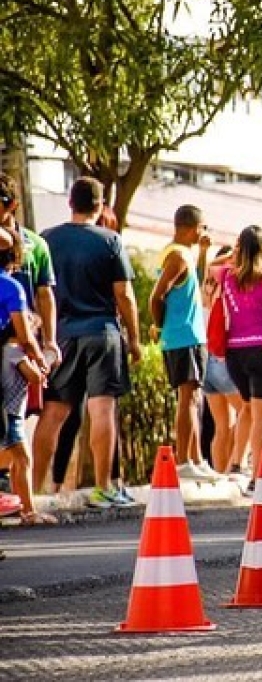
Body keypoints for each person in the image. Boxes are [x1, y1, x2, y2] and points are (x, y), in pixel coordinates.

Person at [32, 177, 140, 508]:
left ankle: (35, 489)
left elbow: (39, 292)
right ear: (100, 204)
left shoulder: (46, 240)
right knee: (102, 407)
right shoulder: (110, 241)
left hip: (62, 335)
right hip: (102, 332)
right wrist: (134, 339)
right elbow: (124, 294)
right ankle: (104, 486)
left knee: (53, 412)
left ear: (70, 202)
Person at [149, 205, 220, 482]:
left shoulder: (186, 256)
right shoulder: (177, 256)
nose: (203, 233)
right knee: (187, 399)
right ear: (191, 227)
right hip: (182, 336)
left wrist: (203, 253)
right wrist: (161, 324)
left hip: (191, 335)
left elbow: (197, 284)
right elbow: (157, 296)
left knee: (194, 398)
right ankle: (184, 460)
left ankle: (197, 458)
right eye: (202, 228)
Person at [217, 225, 262, 490]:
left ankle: (238, 464)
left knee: (248, 409)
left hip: (236, 354)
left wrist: (233, 255)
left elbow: (211, 264)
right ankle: (258, 477)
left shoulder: (227, 277)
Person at [0, 227, 54, 524]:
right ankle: (28, 511)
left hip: (10, 410)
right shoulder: (15, 350)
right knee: (21, 459)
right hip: (10, 412)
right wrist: (41, 363)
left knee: (17, 460)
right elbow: (32, 375)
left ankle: (25, 508)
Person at [200, 245, 246, 474]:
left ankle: (220, 473)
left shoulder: (206, 288)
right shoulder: (229, 285)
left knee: (222, 425)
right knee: (248, 411)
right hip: (224, 358)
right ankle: (235, 466)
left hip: (206, 358)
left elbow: (210, 267)